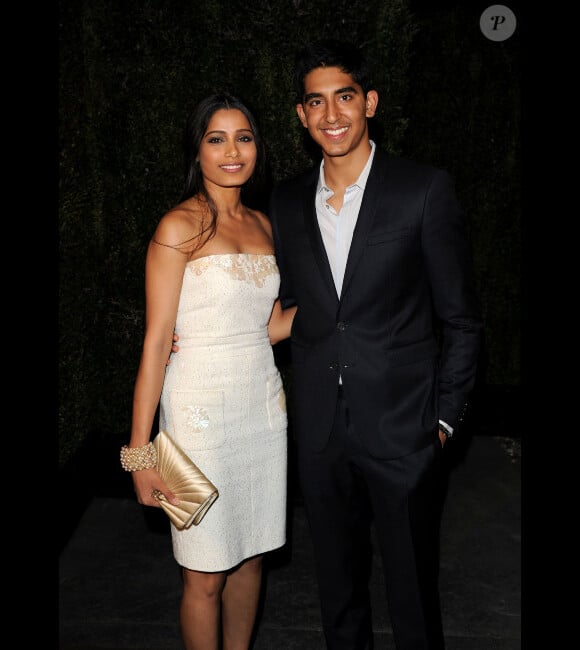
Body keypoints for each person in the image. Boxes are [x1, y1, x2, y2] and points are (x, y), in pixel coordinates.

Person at [267, 40, 483, 649]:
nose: (332, 114)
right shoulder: (284, 202)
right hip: (319, 432)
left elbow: (462, 321)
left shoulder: (422, 190)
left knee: (413, 595)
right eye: (316, 102)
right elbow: (290, 307)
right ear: (301, 116)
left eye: (345, 97)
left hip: (404, 429)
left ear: (370, 103)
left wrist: (442, 420)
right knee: (337, 594)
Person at [122, 92, 296, 650]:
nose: (231, 151)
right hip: (195, 424)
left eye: (243, 137)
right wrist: (139, 453)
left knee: (251, 559)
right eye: (215, 138)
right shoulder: (177, 227)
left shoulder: (266, 227)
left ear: (257, 148)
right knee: (203, 575)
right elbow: (154, 344)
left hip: (262, 417)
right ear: (197, 151)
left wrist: (336, 299)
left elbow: (267, 328)